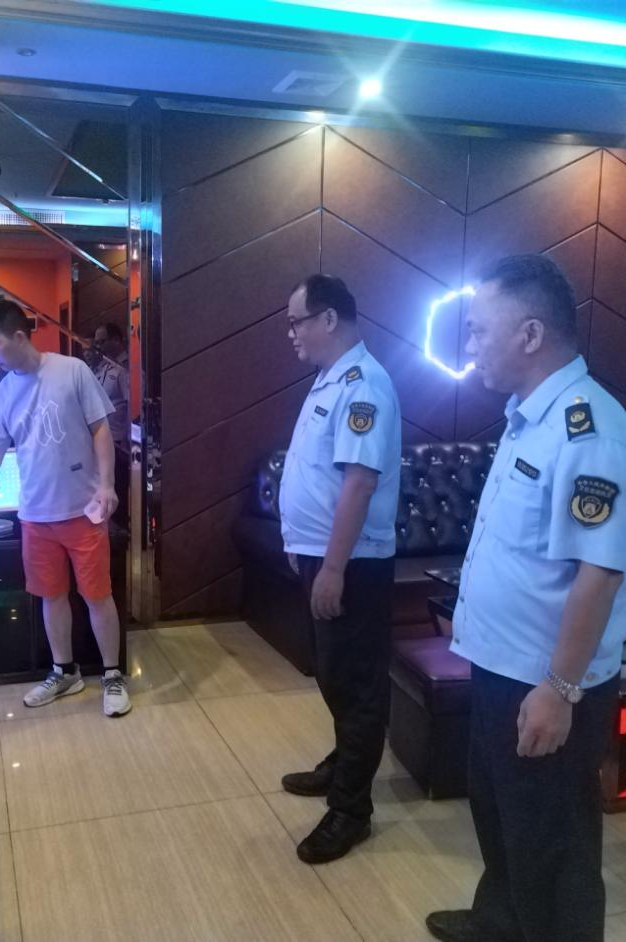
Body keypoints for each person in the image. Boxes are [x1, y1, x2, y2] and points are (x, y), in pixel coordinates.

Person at [425, 255, 626, 942]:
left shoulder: (590, 430)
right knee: (501, 818)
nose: (469, 345)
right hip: (503, 669)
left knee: (554, 847)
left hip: (545, 681)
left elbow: (599, 574)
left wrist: (559, 688)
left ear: (529, 334)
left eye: (477, 329)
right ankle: (500, 922)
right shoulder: (530, 418)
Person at [0, 299, 130, 717]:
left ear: (19, 336)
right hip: (35, 515)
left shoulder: (71, 370)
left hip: (84, 509)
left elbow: (101, 430)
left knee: (97, 596)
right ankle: (64, 672)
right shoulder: (0, 394)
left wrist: (107, 485)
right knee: (51, 596)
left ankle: (112, 675)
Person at [277, 274, 401, 864]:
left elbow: (359, 483)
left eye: (296, 322)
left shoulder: (364, 385)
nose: (291, 334)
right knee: (333, 674)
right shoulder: (330, 377)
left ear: (329, 319)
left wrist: (332, 567)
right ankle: (343, 761)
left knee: (355, 682)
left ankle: (352, 810)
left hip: (352, 563)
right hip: (321, 553)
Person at [91, 322, 130, 525]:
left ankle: (120, 532)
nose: (98, 346)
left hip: (118, 442)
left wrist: (128, 439)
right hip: (101, 441)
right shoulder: (103, 367)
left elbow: (132, 406)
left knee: (117, 492)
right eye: (96, 342)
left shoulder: (125, 369)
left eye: (102, 341)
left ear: (116, 340)